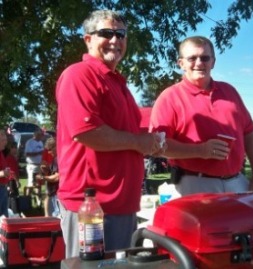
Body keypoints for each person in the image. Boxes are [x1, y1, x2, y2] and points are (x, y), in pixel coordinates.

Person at [55, 10, 163, 258]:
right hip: (92, 206)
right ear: (88, 39)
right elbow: (87, 132)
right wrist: (139, 143)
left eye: (121, 34)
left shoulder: (118, 82)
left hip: (121, 204)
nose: (115, 40)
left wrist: (150, 143)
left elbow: (128, 135)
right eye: (106, 33)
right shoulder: (79, 75)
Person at [150, 36, 253, 196]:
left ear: (213, 62)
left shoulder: (230, 92)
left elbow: (249, 134)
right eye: (192, 58)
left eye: (205, 58)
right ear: (181, 63)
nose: (199, 63)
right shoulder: (170, 97)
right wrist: (200, 150)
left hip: (237, 181)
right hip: (194, 183)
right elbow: (158, 145)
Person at [38, 137, 59, 217]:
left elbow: (57, 177)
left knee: (58, 215)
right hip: (54, 191)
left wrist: (43, 178)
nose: (49, 152)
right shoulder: (55, 159)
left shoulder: (58, 159)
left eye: (50, 149)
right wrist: (46, 169)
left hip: (58, 192)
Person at [0, 129, 11, 217]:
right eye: (3, 140)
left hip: (2, 188)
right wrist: (2, 173)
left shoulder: (1, 153)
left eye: (6, 140)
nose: (5, 143)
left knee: (4, 217)